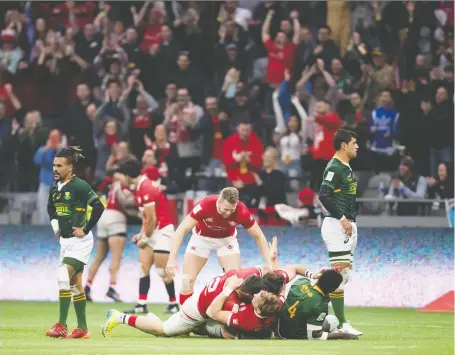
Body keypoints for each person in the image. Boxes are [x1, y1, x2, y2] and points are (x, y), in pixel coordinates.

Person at [165, 187, 273, 306]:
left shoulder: (242, 211)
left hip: (226, 241)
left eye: (232, 210)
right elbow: (182, 229)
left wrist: (270, 262)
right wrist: (171, 258)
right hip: (201, 239)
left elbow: (259, 235)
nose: (228, 213)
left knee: (235, 282)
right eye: (226, 209)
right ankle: (185, 317)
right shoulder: (205, 205)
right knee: (187, 281)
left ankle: (228, 318)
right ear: (219, 202)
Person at [101, 267, 281, 338]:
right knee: (163, 331)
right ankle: (119, 317)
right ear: (250, 295)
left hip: (203, 299)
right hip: (197, 310)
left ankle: (185, 292)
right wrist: (227, 292)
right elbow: (213, 312)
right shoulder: (229, 299)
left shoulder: (244, 275)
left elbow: (264, 269)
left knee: (228, 329)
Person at [45, 147, 105, 339]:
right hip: (65, 242)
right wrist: (55, 225)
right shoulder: (54, 188)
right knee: (74, 285)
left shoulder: (79, 186)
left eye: (59, 166)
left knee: (63, 274)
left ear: (70, 168)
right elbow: (51, 210)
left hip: (81, 242)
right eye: (54, 165)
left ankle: (61, 325)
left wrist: (85, 229)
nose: (55, 169)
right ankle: (82, 329)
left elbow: (98, 206)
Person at [114, 159, 179, 315]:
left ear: (127, 175)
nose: (121, 179)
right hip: (152, 230)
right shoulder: (141, 187)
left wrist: (144, 238)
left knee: (162, 271)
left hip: (162, 231)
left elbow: (152, 219)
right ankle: (141, 305)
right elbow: (146, 218)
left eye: (122, 175)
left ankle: (174, 304)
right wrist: (142, 234)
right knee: (143, 267)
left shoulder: (147, 188)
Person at [317, 129, 362, 336]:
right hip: (337, 226)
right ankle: (341, 323)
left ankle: (328, 319)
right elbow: (323, 195)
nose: (357, 146)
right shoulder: (334, 167)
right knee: (338, 278)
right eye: (354, 142)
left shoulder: (346, 167)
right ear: (343, 145)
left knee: (343, 277)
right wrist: (343, 219)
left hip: (346, 226)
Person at [84, 170, 135, 302]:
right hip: (116, 218)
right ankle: (112, 288)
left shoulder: (109, 185)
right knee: (116, 257)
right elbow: (128, 202)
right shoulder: (124, 186)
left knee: (99, 257)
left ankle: (87, 288)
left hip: (103, 217)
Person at [275, 270, 358, 340]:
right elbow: (314, 335)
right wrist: (342, 335)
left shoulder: (300, 282)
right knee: (332, 320)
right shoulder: (319, 304)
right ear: (332, 289)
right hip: (292, 336)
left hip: (278, 327)